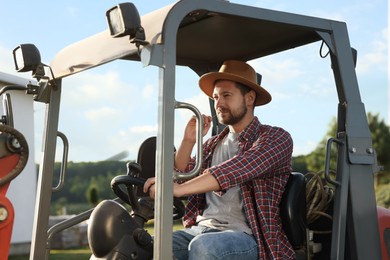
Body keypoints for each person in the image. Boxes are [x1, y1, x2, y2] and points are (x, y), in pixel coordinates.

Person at [144, 60, 295, 259]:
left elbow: (239, 168)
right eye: (215, 97)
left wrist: (175, 189)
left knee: (205, 248)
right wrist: (189, 140)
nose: (218, 103)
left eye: (226, 95)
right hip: (201, 229)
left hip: (248, 236)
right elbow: (183, 176)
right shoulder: (213, 144)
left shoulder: (275, 138)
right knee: (148, 246)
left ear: (249, 98)